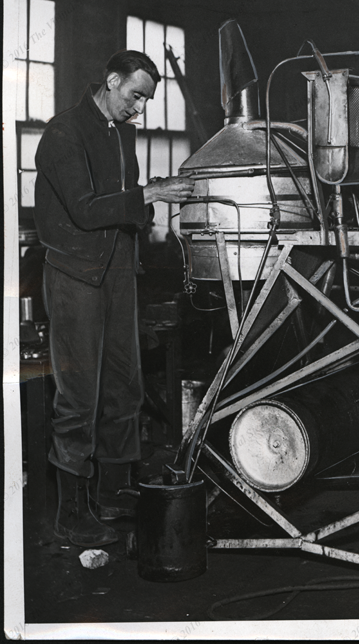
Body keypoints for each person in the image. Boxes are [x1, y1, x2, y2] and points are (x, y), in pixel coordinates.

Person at [34, 50, 195, 548]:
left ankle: (113, 491)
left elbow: (128, 205)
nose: (140, 108)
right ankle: (72, 512)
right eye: (135, 95)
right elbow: (84, 210)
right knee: (79, 395)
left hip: (121, 270)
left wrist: (153, 210)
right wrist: (151, 195)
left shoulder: (122, 134)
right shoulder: (64, 133)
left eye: (146, 99)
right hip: (76, 274)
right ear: (111, 81)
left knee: (125, 385)